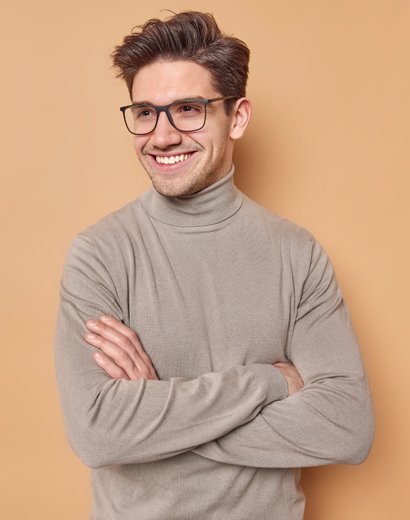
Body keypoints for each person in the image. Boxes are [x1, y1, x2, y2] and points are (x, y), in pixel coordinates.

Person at [55, 11, 374, 520]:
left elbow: (347, 428)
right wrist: (268, 384)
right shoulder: (100, 253)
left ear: (238, 117)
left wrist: (154, 413)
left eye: (188, 109)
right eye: (145, 112)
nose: (161, 136)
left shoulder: (297, 253)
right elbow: (97, 433)